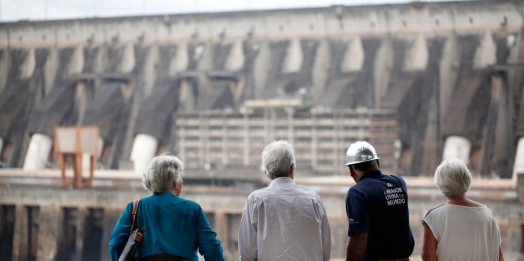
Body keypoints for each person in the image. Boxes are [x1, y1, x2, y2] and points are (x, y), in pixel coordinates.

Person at [109, 153, 224, 261]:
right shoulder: (192, 209)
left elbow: (115, 244)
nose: (182, 181)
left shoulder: (135, 208)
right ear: (174, 184)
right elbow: (212, 249)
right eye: (180, 177)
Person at [238, 140, 331, 261]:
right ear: (292, 168)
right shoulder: (314, 200)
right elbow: (325, 249)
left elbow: (247, 255)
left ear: (266, 172)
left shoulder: (255, 201)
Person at [421, 158, 504, 261]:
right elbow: (499, 256)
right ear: (467, 179)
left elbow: (427, 257)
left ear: (441, 184)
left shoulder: (434, 217)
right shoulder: (488, 214)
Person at [344, 141, 414, 261]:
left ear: (351, 170)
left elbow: (359, 236)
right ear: (377, 162)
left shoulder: (357, 193)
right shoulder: (398, 182)